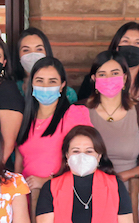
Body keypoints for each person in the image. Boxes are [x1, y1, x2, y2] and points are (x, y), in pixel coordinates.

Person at [77, 22, 139, 144]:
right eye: (125, 41)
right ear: (116, 47)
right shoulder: (94, 80)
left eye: (137, 43)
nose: (131, 47)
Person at [16, 57, 92, 192]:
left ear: (62, 85)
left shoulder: (74, 115)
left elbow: (86, 160)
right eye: (39, 80)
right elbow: (19, 164)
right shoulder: (24, 118)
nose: (45, 87)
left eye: (52, 81)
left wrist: (49, 180)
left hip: (62, 194)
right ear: (31, 83)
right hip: (27, 195)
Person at [82, 51, 139, 184]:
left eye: (115, 73)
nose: (109, 78)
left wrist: (119, 178)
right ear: (94, 79)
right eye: (102, 74)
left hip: (129, 188)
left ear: (124, 78)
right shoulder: (80, 110)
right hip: (89, 187)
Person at [15, 27, 77, 102]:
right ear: (18, 55)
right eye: (26, 50)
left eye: (39, 49)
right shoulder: (13, 89)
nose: (33, 54)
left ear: (47, 52)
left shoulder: (68, 94)